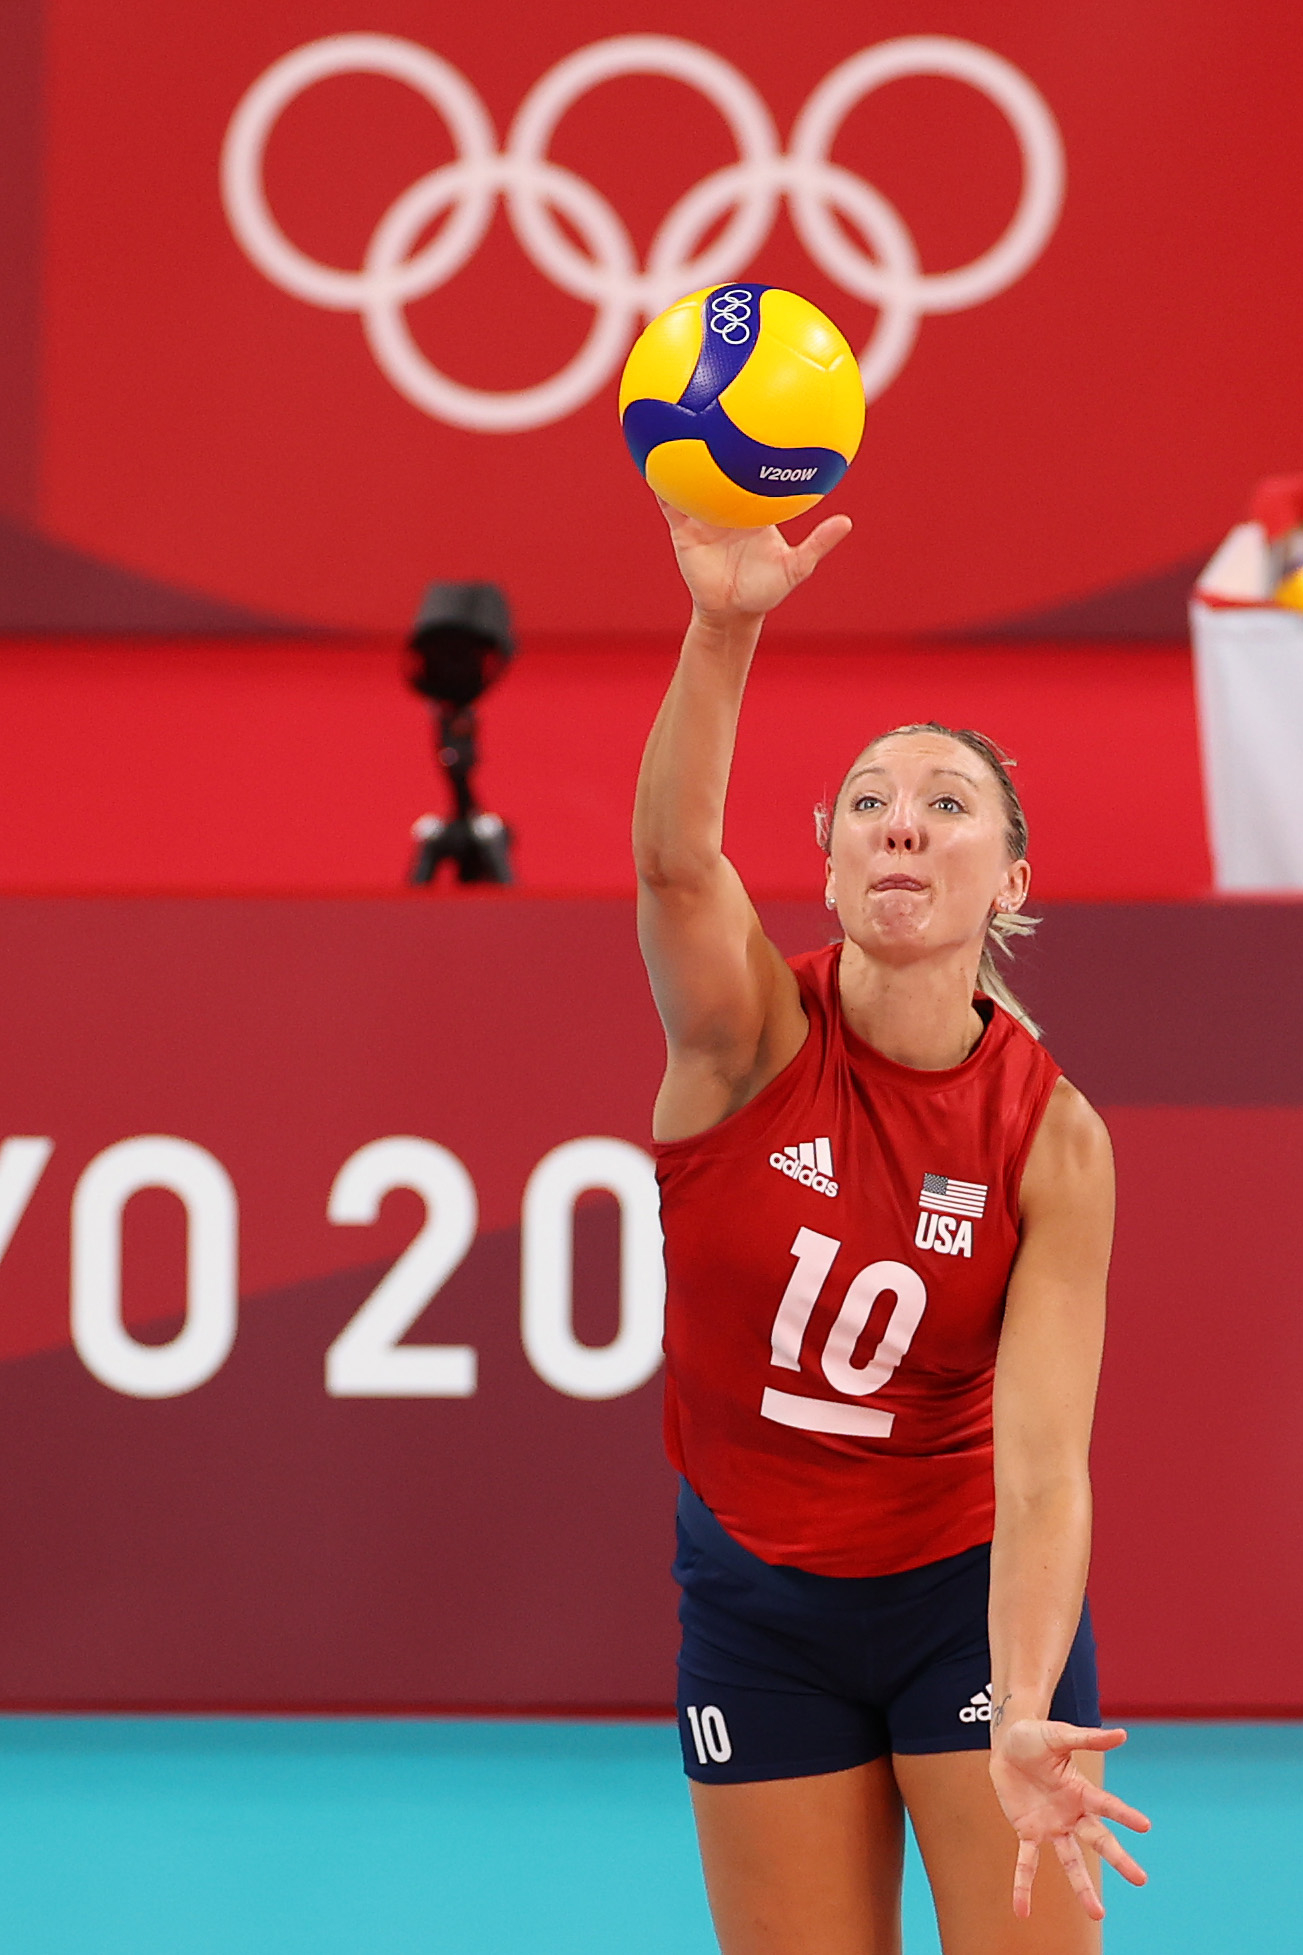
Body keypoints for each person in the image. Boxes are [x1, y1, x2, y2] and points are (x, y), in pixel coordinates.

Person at [631, 500, 1151, 1954]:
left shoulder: (1054, 1140)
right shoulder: (745, 1039)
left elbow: (1046, 1473)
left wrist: (1035, 1701)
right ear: (830, 860)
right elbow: (675, 864)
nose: (902, 817)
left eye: (944, 801)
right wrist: (726, 623)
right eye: (868, 800)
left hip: (962, 1599)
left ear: (1013, 880)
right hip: (755, 1598)